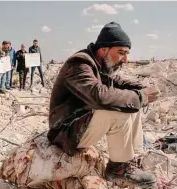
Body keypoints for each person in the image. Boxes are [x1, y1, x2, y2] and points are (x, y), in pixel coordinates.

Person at [47, 22, 159, 188]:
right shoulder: (78, 64)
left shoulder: (98, 64)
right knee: (119, 110)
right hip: (65, 132)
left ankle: (130, 161)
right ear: (104, 49)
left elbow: (117, 81)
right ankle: (117, 169)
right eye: (121, 53)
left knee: (131, 103)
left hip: (80, 125)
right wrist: (141, 96)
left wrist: (142, 89)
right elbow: (98, 95)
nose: (125, 60)